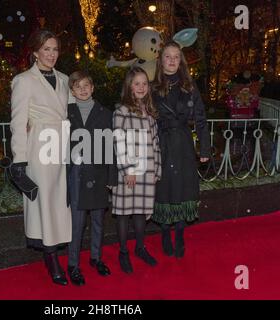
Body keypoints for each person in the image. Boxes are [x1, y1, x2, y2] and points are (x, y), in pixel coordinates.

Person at [10, 29, 71, 285]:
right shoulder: (23, 80)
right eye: (46, 49)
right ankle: (51, 256)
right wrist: (20, 159)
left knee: (61, 201)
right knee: (45, 201)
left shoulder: (66, 79)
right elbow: (17, 121)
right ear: (35, 52)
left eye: (55, 49)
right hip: (40, 147)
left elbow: (75, 110)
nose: (51, 54)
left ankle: (57, 247)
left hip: (63, 146)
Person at [151, 41, 210, 259]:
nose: (172, 60)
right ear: (161, 60)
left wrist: (204, 148)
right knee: (165, 190)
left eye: (176, 56)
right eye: (168, 56)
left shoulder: (190, 86)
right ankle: (165, 232)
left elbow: (201, 119)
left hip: (184, 145)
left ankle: (180, 234)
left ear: (181, 60)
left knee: (184, 190)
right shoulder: (151, 87)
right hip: (161, 144)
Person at [66, 70, 118, 286]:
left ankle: (96, 258)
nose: (83, 89)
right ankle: (73, 265)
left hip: (98, 174)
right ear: (72, 91)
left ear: (93, 87)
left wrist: (112, 177)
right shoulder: (66, 112)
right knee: (77, 223)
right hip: (77, 175)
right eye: (78, 86)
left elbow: (111, 147)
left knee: (98, 220)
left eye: (86, 85)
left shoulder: (105, 113)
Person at [112, 67, 161, 274]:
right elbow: (118, 141)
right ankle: (123, 252)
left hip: (147, 170)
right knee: (124, 213)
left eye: (144, 83)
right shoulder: (121, 110)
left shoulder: (150, 113)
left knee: (141, 212)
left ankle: (140, 248)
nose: (141, 87)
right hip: (129, 172)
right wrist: (127, 169)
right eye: (136, 83)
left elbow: (155, 143)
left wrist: (157, 169)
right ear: (129, 87)